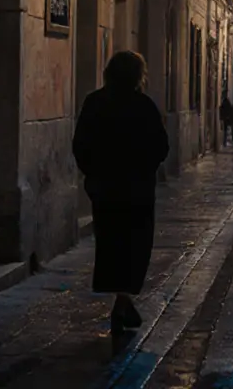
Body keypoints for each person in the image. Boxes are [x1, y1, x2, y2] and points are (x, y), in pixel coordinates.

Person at [72, 51, 170, 334]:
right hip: (137, 190)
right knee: (136, 245)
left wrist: (92, 173)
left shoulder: (94, 103)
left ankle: (122, 300)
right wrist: (144, 167)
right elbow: (161, 147)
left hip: (105, 189)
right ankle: (124, 300)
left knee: (110, 242)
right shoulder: (144, 106)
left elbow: (80, 144)